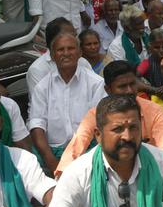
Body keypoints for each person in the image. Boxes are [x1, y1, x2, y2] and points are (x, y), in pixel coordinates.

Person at [43, 95, 163, 207]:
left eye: (133, 128)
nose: (127, 136)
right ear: (98, 135)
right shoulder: (76, 174)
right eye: (117, 129)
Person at [56, 60, 163, 176]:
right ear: (108, 90)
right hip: (110, 174)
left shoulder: (154, 110)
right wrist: (62, 176)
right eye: (122, 86)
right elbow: (77, 144)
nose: (129, 91)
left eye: (132, 84)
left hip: (149, 173)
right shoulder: (96, 113)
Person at [27, 30, 106, 174]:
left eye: (70, 48)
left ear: (79, 53)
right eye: (60, 49)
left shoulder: (96, 83)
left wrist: (75, 158)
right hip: (53, 153)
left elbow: (97, 122)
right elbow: (37, 126)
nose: (66, 53)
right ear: (52, 55)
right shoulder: (42, 87)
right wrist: (52, 161)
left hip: (88, 150)